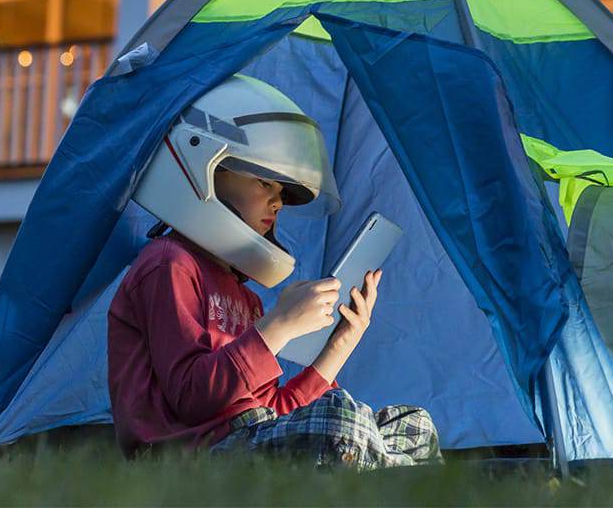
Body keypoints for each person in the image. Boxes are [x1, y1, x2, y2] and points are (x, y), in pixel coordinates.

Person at [107, 74, 440, 468]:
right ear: (206, 169)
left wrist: (340, 345)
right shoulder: (169, 265)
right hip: (191, 458)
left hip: (250, 439)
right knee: (341, 421)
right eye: (265, 182)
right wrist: (280, 324)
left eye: (282, 194)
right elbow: (194, 398)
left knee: (413, 425)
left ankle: (375, 463)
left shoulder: (243, 295)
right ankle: (382, 469)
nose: (277, 203)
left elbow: (274, 410)